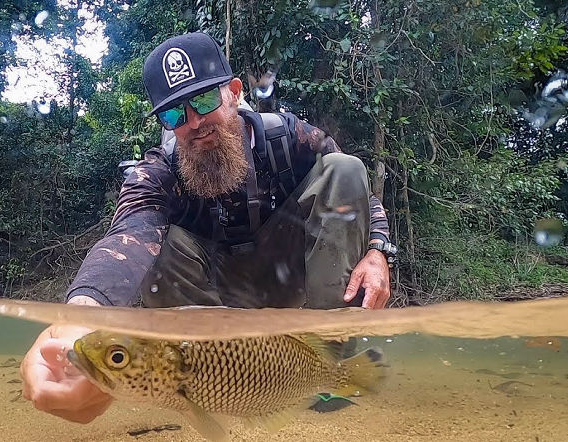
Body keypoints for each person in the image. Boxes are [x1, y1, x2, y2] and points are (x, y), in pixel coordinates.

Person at [20, 32, 397, 423]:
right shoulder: (158, 171)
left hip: (288, 276)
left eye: (203, 100)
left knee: (346, 167)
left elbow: (357, 193)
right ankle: (225, 384)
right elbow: (129, 235)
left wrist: (377, 249)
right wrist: (78, 317)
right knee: (158, 243)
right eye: (174, 114)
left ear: (233, 92)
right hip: (208, 308)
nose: (195, 122)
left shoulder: (289, 139)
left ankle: (329, 360)